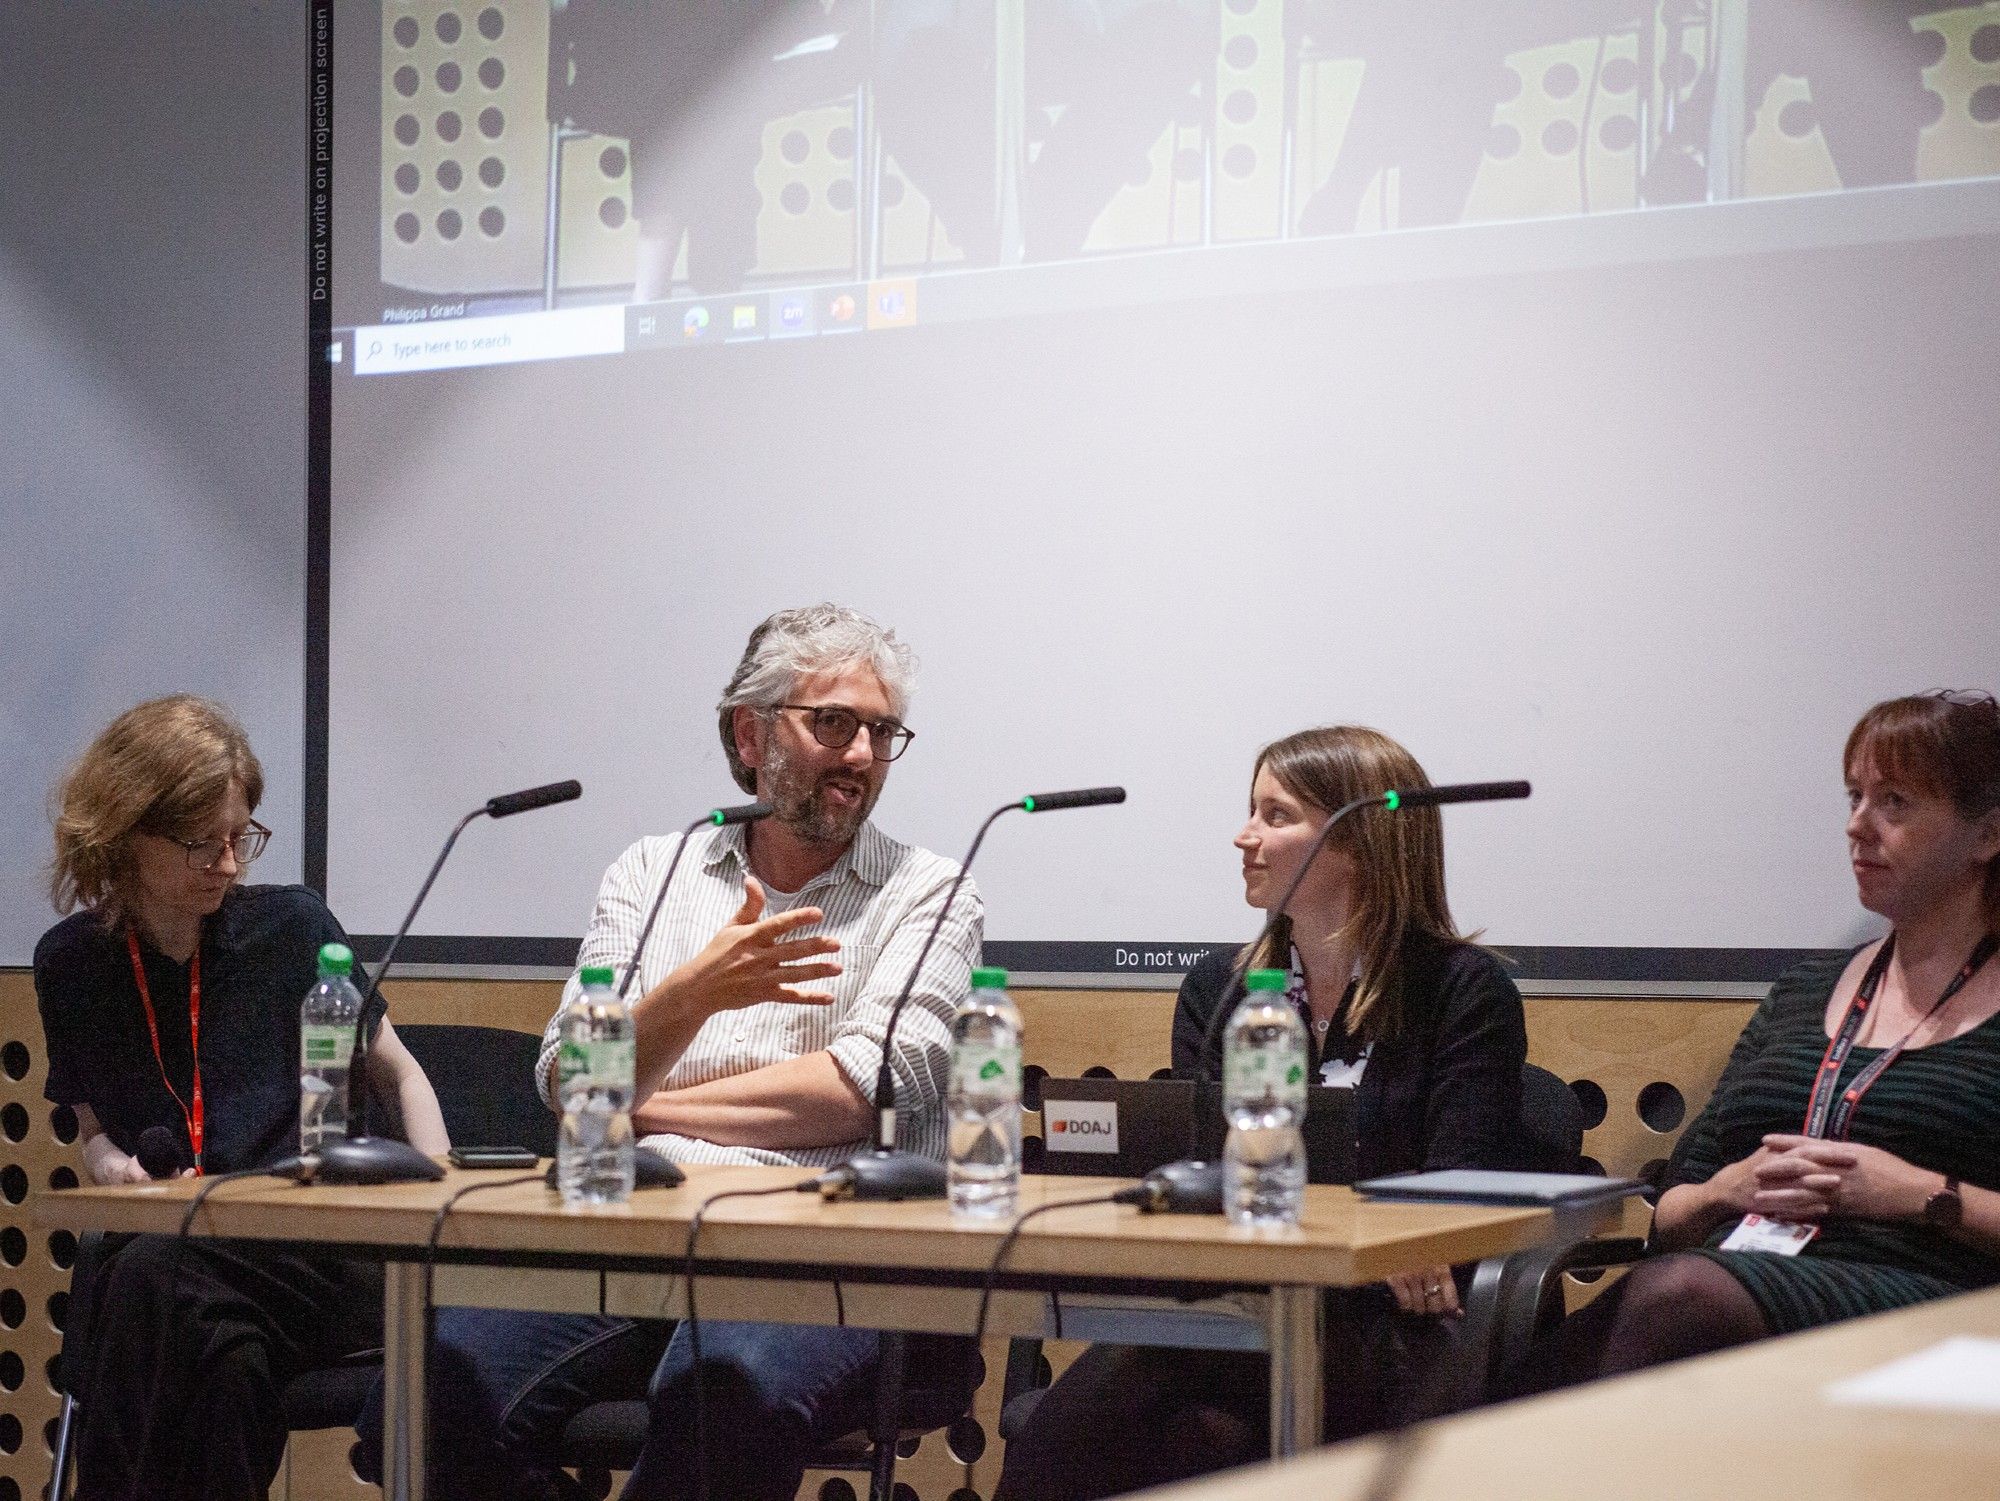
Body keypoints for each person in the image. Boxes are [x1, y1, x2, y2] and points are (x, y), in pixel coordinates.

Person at [360, 603, 982, 1501]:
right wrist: (696, 993)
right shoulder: (653, 873)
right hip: (631, 1235)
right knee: (416, 1402)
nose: (859, 755)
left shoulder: (932, 891)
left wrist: (643, 1100)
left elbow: (863, 1086)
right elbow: (572, 1079)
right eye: (834, 722)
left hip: (825, 1254)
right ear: (751, 732)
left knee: (721, 1397)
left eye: (882, 732)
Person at [993, 723, 1528, 1501]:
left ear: (1362, 840)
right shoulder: (1221, 990)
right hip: (1246, 1310)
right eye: (1251, 810)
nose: (1244, 836)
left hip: (1393, 1329)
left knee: (1150, 1367)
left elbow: (1460, 1196)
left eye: (1276, 815)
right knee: (1199, 1438)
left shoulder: (1463, 991)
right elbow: (1208, 1171)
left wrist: (1407, 1233)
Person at [1513, 690, 2000, 1391]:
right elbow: (1674, 1205)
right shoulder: (1806, 988)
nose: (1859, 826)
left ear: (1986, 834)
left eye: (1895, 802)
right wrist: (1725, 1187)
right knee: (1669, 1295)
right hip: (1737, 1269)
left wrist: (1916, 1193)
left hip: (1929, 1296)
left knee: (1682, 1296)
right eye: (1854, 797)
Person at [33, 694, 448, 1501]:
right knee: (227, 1367)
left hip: (310, 1252)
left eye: (241, 837)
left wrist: (440, 1193)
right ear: (128, 836)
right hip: (185, 1265)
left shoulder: (292, 931)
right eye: (203, 843)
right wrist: (112, 1164)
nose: (228, 863)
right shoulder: (72, 965)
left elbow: (400, 1071)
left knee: (147, 1279)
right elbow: (88, 1125)